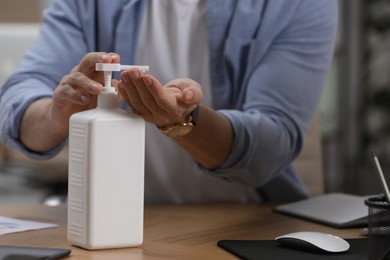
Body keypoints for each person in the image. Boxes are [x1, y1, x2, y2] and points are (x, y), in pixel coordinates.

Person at [0, 0, 338, 203]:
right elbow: (17, 101)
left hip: (246, 223)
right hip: (113, 219)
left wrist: (185, 123)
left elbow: (273, 146)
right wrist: (57, 113)